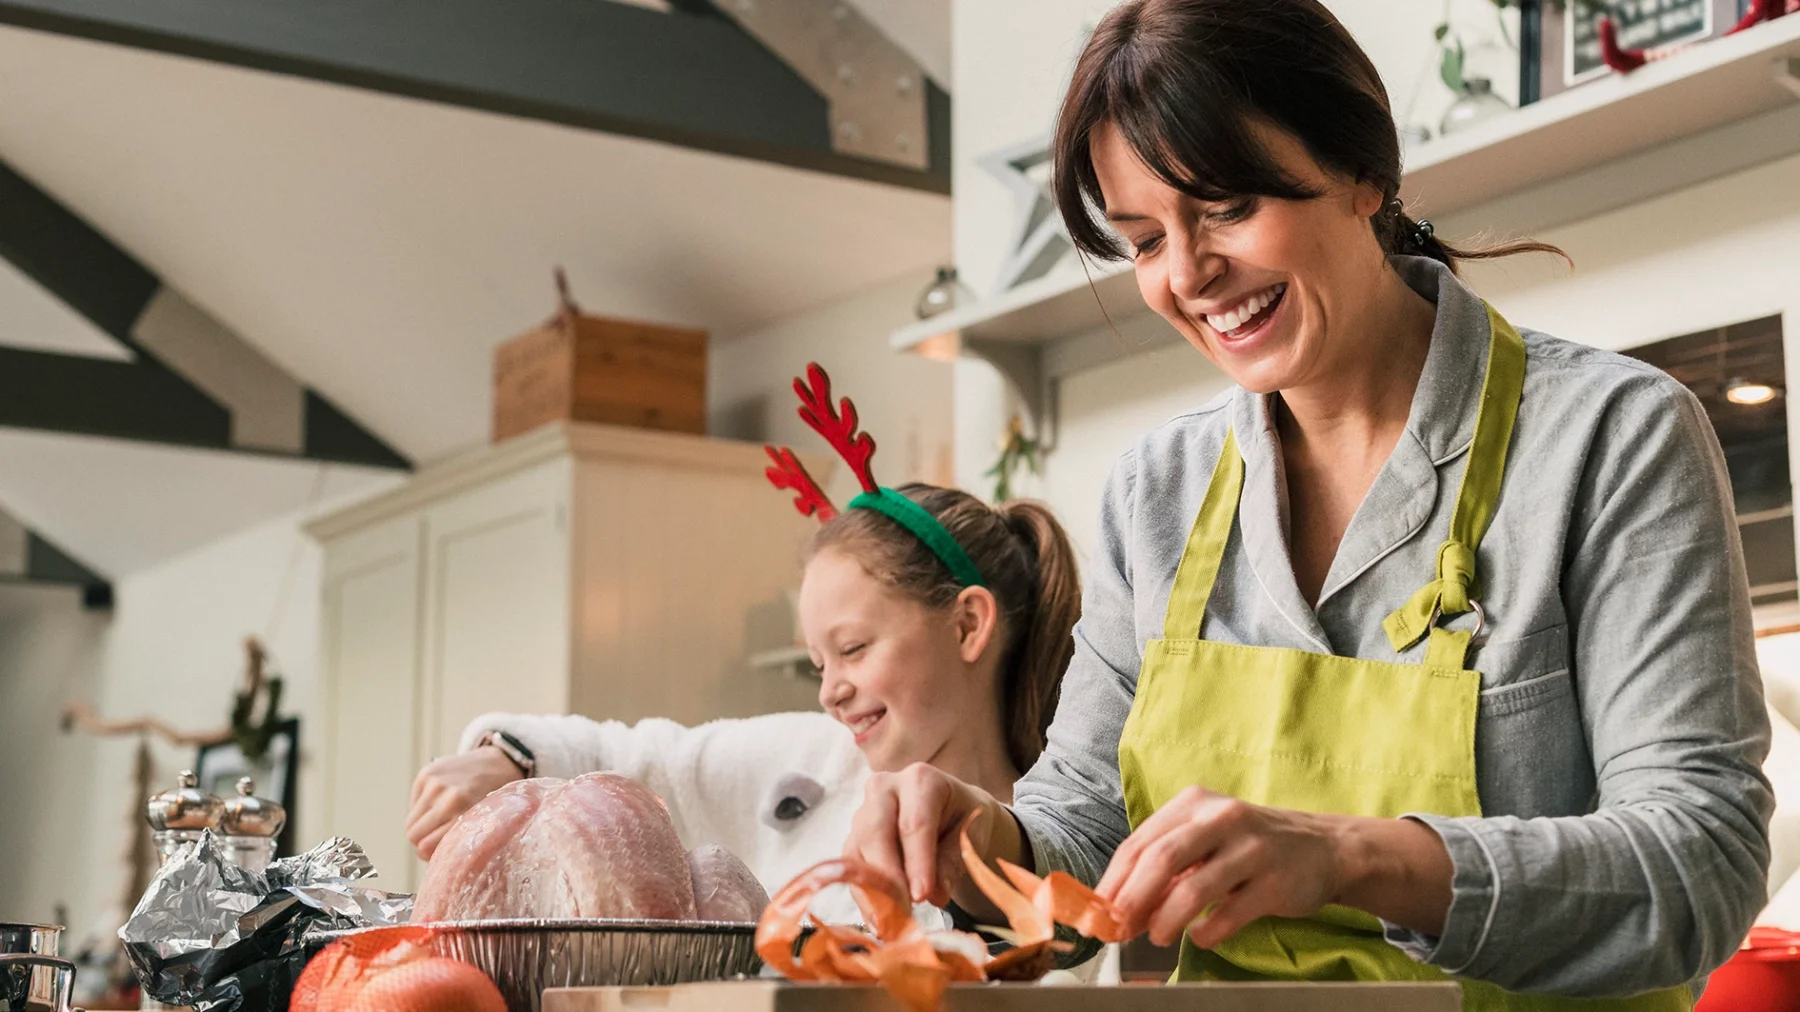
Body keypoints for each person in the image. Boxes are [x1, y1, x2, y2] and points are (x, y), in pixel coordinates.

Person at [841, 1, 1773, 1008]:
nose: (1190, 275)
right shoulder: (1157, 493)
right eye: (1146, 239)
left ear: (1364, 172)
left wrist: (1350, 856)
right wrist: (985, 839)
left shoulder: (1612, 438)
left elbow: (1702, 865)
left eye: (1228, 206)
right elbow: (1086, 831)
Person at [403, 368, 1082, 926]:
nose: (830, 689)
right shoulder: (812, 760)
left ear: (967, 625)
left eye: (853, 649)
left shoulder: (1059, 847)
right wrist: (508, 759)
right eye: (819, 663)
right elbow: (643, 760)